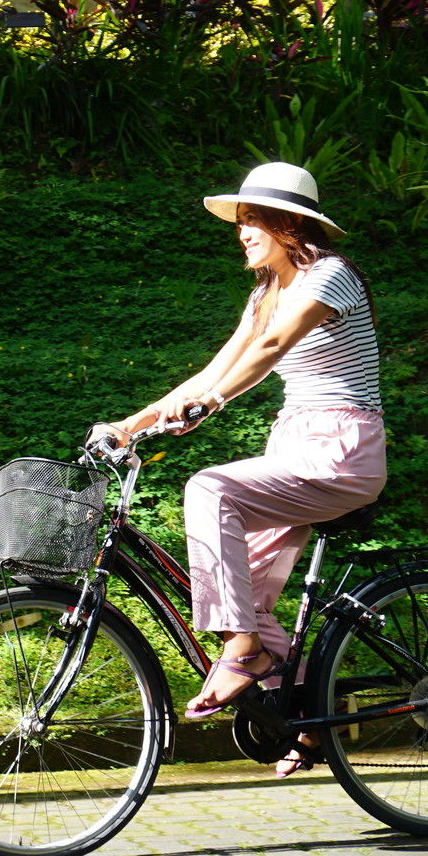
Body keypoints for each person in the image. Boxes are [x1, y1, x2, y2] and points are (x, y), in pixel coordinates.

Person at [90, 162, 386, 778]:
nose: (243, 233)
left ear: (287, 225)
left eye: (254, 221)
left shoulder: (329, 277)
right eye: (242, 222)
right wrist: (131, 425)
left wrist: (214, 401)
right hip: (294, 447)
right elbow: (214, 368)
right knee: (251, 594)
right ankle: (313, 719)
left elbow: (272, 349)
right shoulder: (264, 295)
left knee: (208, 486)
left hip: (343, 447)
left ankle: (238, 647)